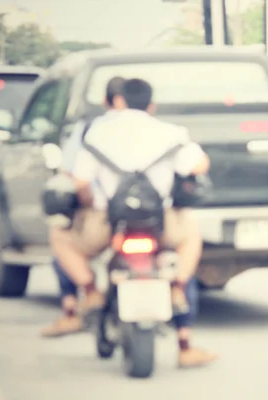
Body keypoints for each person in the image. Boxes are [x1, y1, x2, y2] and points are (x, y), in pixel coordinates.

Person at [50, 78, 217, 368]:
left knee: (59, 236)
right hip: (159, 222)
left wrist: (88, 205)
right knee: (191, 236)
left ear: (120, 102)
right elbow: (199, 165)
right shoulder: (171, 133)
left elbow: (80, 182)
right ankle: (177, 287)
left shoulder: (96, 134)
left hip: (107, 222)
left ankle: (89, 293)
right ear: (152, 105)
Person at [41, 76, 127, 338]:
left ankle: (75, 306)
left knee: (61, 234)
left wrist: (87, 202)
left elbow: (74, 177)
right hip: (152, 217)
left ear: (105, 101)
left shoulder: (90, 130)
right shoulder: (162, 130)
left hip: (101, 217)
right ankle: (184, 331)